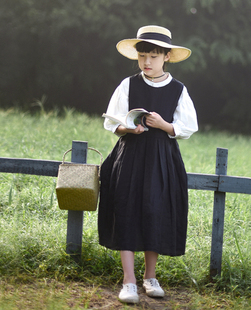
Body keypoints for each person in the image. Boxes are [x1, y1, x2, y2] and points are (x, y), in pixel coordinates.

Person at [98, 25, 198, 304]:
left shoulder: (178, 89)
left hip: (161, 158)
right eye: (143, 55)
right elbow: (113, 121)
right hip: (129, 155)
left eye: (154, 56)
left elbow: (188, 126)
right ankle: (128, 280)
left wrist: (164, 125)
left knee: (155, 210)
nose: (147, 62)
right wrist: (128, 129)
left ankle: (150, 277)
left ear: (166, 56)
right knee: (126, 209)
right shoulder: (128, 84)